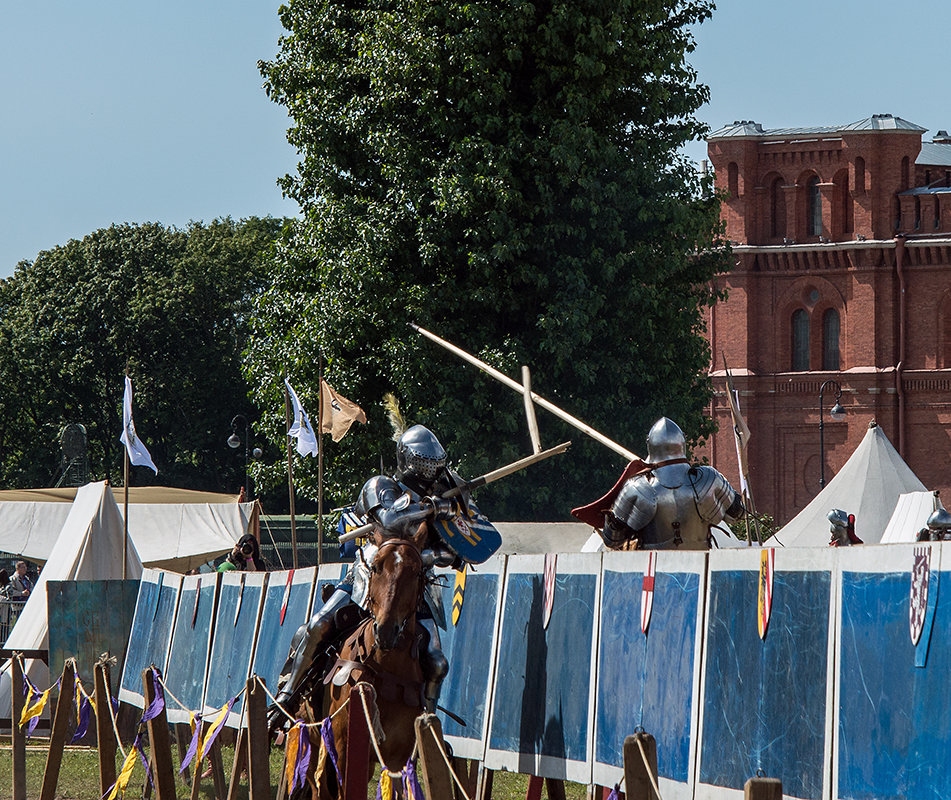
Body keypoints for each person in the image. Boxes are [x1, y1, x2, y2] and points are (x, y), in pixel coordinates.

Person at [268, 423, 495, 730]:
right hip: (368, 575)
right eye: (424, 464)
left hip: (416, 585)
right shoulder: (381, 486)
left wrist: (437, 535)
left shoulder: (448, 496)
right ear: (407, 460)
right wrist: (429, 509)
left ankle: (426, 726)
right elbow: (389, 519)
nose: (429, 472)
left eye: (434, 465)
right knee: (317, 625)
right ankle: (285, 698)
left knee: (438, 662)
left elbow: (455, 553)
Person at [572, 417, 745, 550]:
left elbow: (613, 540)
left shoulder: (638, 488)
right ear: (682, 444)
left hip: (655, 574)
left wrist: (610, 518)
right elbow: (738, 514)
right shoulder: (708, 479)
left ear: (651, 446)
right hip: (702, 568)